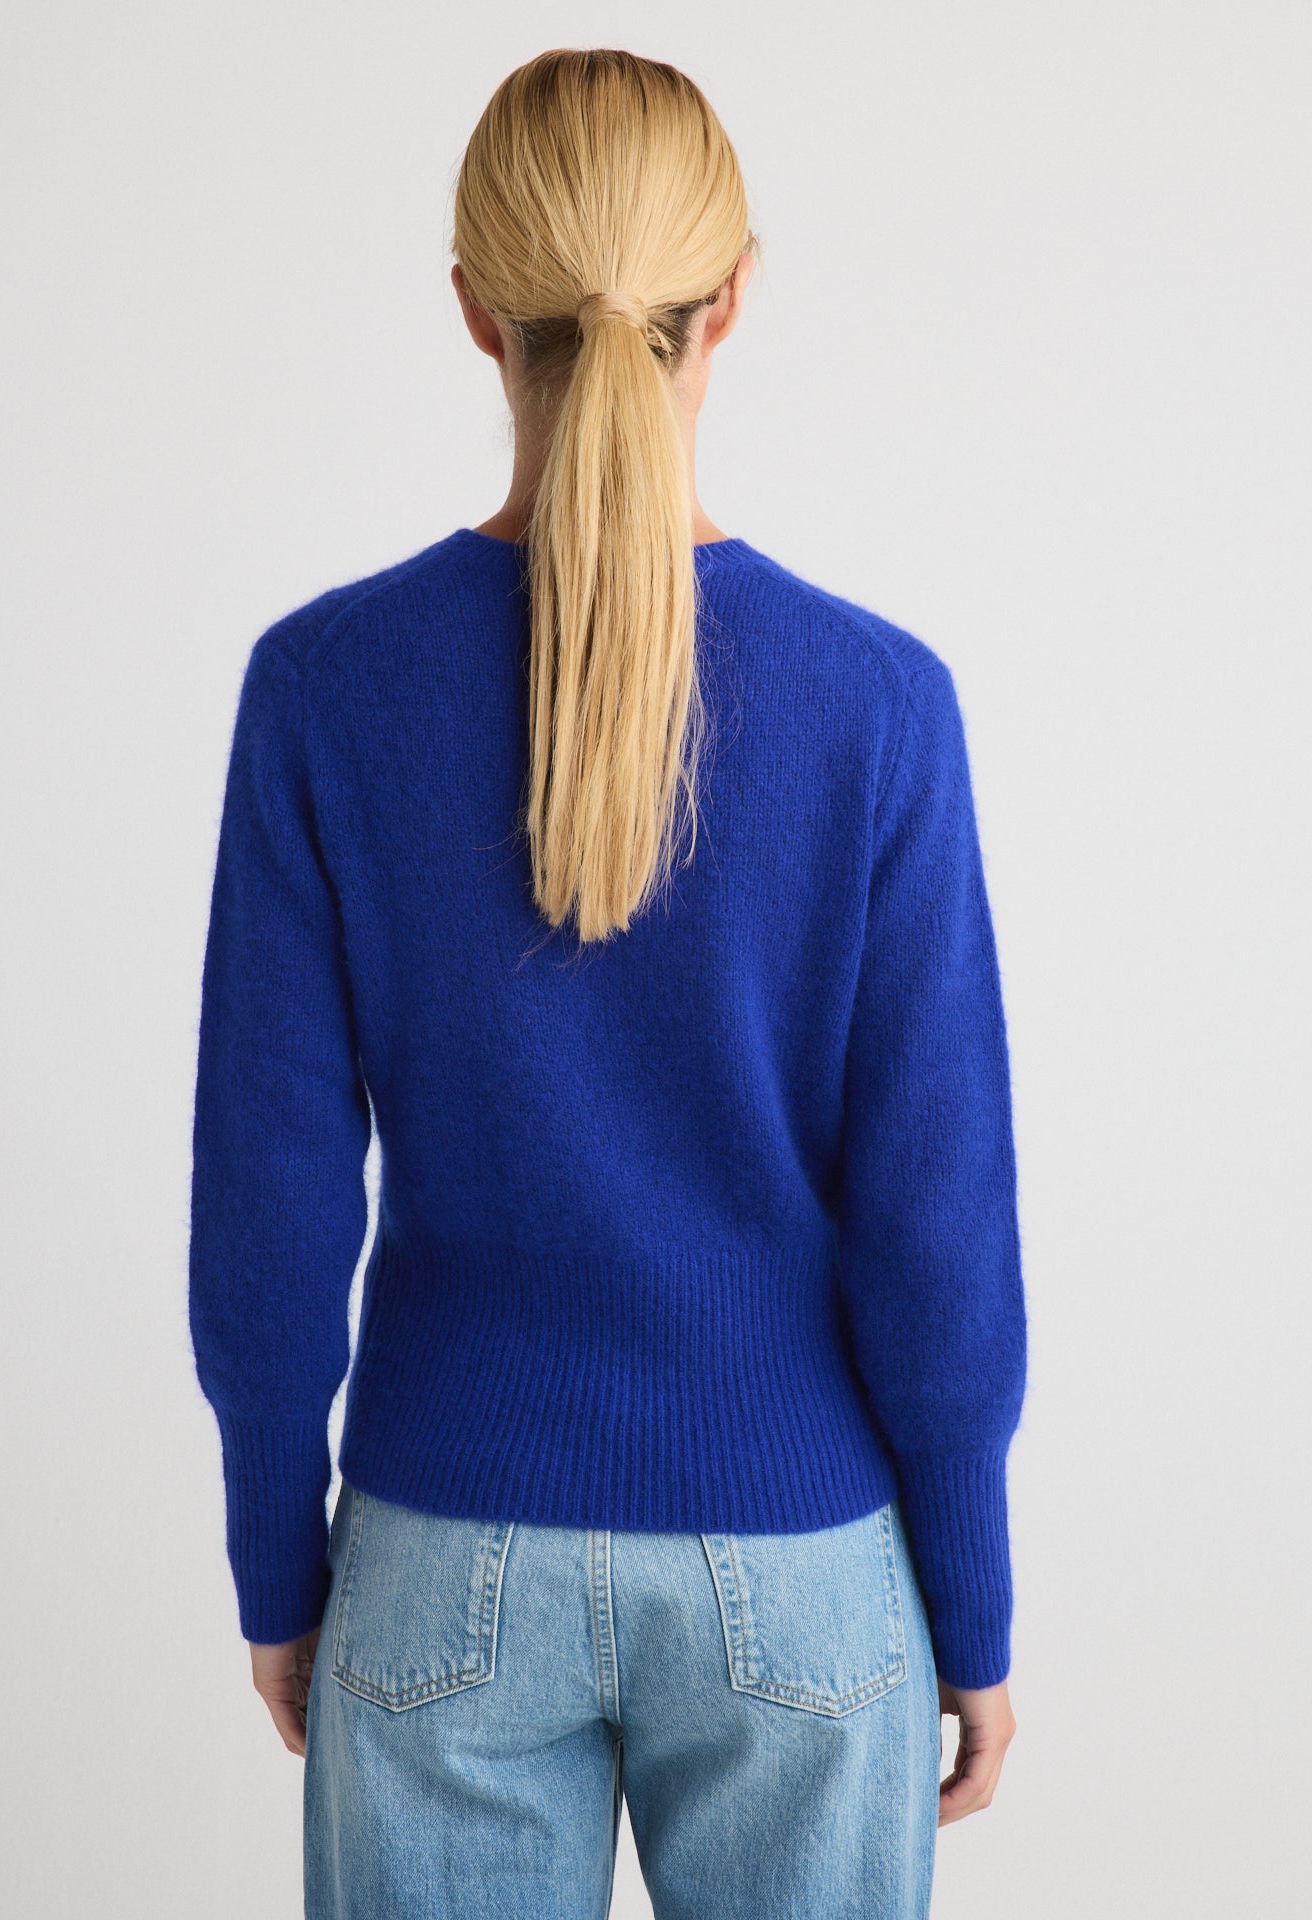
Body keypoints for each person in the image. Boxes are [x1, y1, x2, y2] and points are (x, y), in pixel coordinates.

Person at [188, 44, 1027, 1920]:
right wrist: (969, 1606)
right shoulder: (881, 708)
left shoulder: (323, 691)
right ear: (731, 298)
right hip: (802, 1567)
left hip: (439, 1553)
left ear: (476, 311)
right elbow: (938, 1226)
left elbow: (268, 1207)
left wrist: (278, 1566)